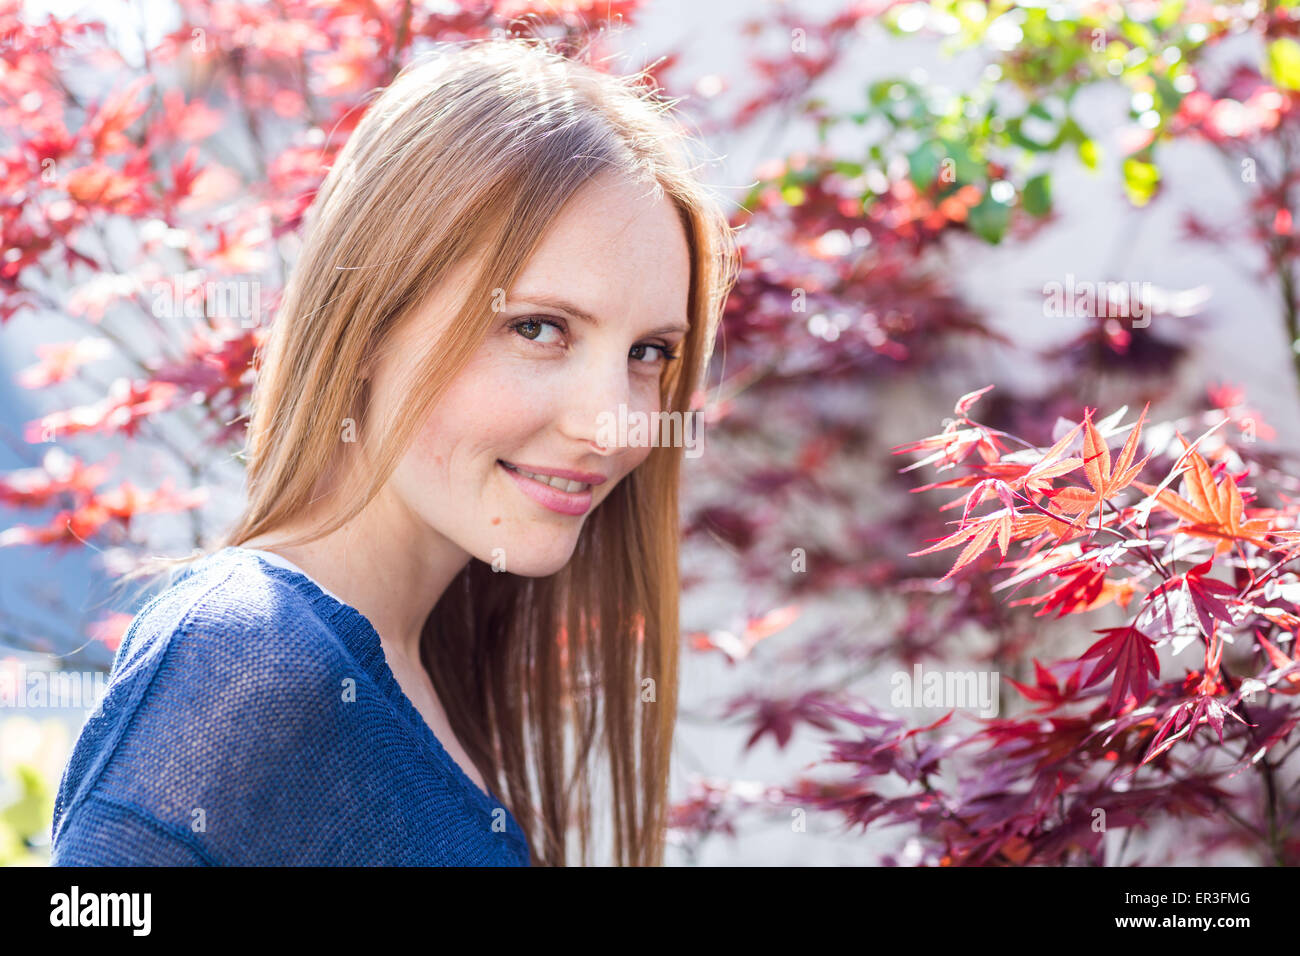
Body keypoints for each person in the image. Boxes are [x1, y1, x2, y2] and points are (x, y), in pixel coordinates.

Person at [48, 35, 740, 866]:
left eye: (649, 353)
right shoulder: (245, 653)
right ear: (369, 321)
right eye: (537, 328)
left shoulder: (417, 673)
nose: (616, 424)